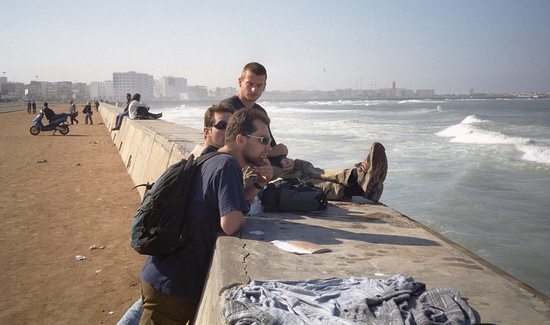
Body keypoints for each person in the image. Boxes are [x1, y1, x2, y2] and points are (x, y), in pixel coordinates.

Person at [138, 108, 273, 324]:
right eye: (263, 139)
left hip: (165, 274)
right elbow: (230, 224)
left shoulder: (214, 159)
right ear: (240, 139)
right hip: (174, 285)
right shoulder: (228, 166)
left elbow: (225, 204)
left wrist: (259, 183)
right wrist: (244, 217)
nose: (268, 147)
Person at [222, 62, 388, 202]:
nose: (253, 90)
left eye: (259, 86)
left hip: (266, 162)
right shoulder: (228, 109)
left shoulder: (259, 112)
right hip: (248, 169)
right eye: (249, 84)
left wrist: (282, 159)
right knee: (300, 180)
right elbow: (230, 149)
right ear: (240, 81)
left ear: (265, 86)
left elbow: (268, 144)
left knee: (303, 166)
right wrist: (274, 153)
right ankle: (355, 189)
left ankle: (355, 177)